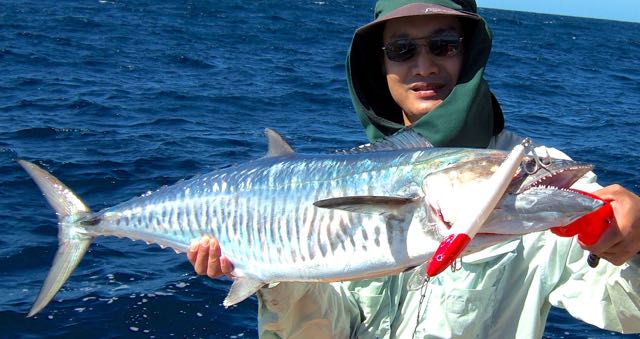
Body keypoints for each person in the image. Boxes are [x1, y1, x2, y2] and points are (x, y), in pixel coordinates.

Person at [188, 1, 640, 337]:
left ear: (470, 55)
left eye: (444, 45)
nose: (424, 66)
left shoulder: (530, 175)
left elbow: (625, 308)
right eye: (402, 49)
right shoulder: (355, 172)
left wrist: (634, 246)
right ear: (379, 65)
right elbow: (324, 330)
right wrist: (270, 271)